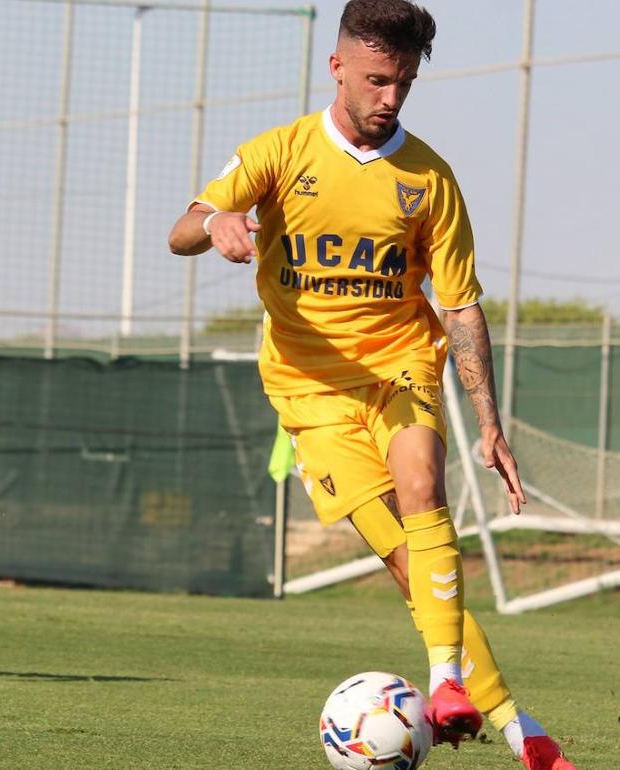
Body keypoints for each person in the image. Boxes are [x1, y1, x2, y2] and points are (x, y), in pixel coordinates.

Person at [167, 2, 574, 768]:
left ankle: (446, 682)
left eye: (405, 83)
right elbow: (183, 227)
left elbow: (460, 305)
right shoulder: (281, 152)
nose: (390, 98)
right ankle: (528, 735)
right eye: (378, 80)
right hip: (310, 397)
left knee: (423, 480)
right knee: (408, 568)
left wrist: (489, 421)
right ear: (339, 69)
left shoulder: (429, 178)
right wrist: (217, 223)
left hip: (400, 368)